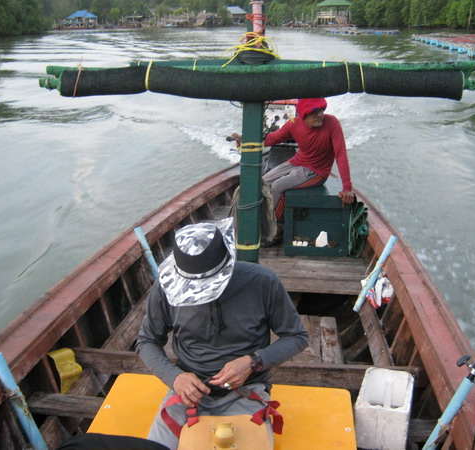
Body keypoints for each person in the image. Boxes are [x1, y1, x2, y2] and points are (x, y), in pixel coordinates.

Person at [136, 218, 308, 449]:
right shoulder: (165, 287)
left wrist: (253, 362)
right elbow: (147, 340)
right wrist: (175, 377)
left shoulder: (263, 282)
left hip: (246, 390)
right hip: (187, 392)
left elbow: (297, 337)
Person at [233, 98, 355, 244]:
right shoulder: (293, 124)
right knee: (263, 182)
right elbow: (272, 139)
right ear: (303, 114)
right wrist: (246, 141)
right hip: (296, 162)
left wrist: (347, 188)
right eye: (314, 112)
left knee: (278, 186)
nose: (320, 115)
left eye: (321, 110)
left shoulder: (332, 124)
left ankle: (277, 229)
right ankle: (259, 221)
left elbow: (341, 154)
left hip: (316, 171)